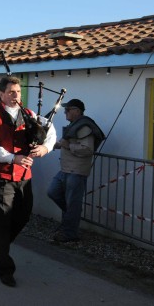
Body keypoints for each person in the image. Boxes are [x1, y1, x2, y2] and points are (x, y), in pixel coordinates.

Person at [0, 76, 56, 287]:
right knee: (2, 221)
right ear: (1, 94)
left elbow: (50, 130)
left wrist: (45, 148)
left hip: (23, 176)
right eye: (11, 92)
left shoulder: (28, 114)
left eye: (18, 92)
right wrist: (13, 157)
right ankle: (5, 268)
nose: (15, 96)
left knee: (24, 215)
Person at [47, 99, 104, 243]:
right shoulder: (75, 126)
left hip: (76, 171)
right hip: (66, 170)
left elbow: (87, 150)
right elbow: (66, 143)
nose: (65, 112)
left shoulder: (84, 128)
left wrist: (67, 146)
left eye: (69, 109)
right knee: (53, 192)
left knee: (72, 203)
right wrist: (53, 145)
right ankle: (71, 218)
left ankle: (69, 233)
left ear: (77, 111)